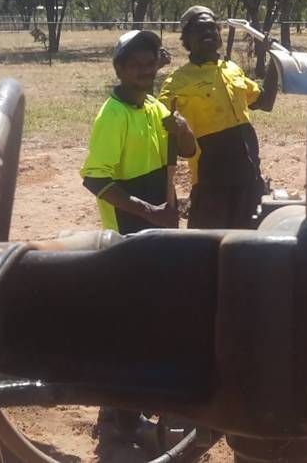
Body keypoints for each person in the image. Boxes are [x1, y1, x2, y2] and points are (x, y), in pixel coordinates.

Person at [80, 29, 196, 447]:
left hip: (156, 233)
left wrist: (180, 128)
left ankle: (122, 408)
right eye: (136, 65)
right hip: (129, 235)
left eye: (150, 63)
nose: (145, 71)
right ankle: (123, 423)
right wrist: (151, 213)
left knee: (151, 320)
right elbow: (96, 180)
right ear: (120, 69)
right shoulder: (112, 115)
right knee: (132, 325)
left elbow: (188, 151)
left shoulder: (153, 107)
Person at [160, 5, 278, 230]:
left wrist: (275, 61)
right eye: (199, 29)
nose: (208, 34)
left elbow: (265, 102)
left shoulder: (232, 69)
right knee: (207, 249)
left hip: (249, 177)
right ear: (186, 39)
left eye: (212, 29)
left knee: (250, 245)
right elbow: (159, 126)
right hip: (210, 182)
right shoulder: (177, 82)